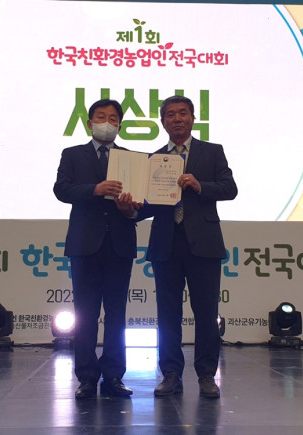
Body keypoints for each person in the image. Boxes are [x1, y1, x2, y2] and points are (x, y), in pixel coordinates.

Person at [140, 95, 237, 398]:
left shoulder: (212, 151)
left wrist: (199, 185)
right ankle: (171, 374)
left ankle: (207, 375)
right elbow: (147, 205)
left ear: (193, 119)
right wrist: (130, 207)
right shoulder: (153, 159)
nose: (177, 119)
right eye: (170, 114)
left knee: (206, 313)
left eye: (183, 113)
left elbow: (230, 189)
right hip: (166, 243)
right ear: (163, 122)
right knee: (167, 313)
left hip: (203, 243)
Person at [54, 99, 140, 400]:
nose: (107, 123)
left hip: (119, 243)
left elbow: (141, 204)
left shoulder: (132, 159)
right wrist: (95, 189)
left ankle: (114, 376)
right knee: (85, 313)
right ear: (90, 124)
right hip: (85, 244)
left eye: (113, 118)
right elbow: (61, 190)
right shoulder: (72, 154)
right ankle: (87, 377)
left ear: (120, 126)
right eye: (101, 117)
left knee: (117, 313)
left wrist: (132, 208)